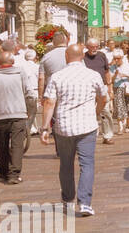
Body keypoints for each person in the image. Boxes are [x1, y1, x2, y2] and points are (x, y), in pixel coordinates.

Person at [40, 44, 107, 218]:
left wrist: (44, 127)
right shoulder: (93, 75)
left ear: (66, 57)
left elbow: (49, 102)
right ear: (82, 56)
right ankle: (85, 203)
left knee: (66, 164)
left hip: (64, 126)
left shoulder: (57, 76)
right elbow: (103, 97)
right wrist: (97, 112)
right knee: (87, 164)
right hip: (87, 125)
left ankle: (67, 199)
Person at [0, 50, 30, 183]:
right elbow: (29, 92)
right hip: (19, 114)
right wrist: (30, 109)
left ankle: (3, 171)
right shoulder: (20, 73)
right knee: (17, 145)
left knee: (2, 144)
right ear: (13, 62)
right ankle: (13, 174)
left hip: (0, 115)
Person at [83, 38, 116, 144]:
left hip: (102, 86)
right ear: (87, 47)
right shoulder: (83, 57)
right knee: (89, 112)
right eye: (92, 47)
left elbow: (107, 72)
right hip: (88, 89)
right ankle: (89, 135)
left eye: (96, 46)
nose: (95, 49)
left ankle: (107, 135)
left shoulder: (101, 55)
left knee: (105, 111)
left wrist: (110, 88)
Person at [19, 48, 41, 136]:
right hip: (34, 90)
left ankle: (33, 127)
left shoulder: (21, 66)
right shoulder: (36, 66)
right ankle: (30, 128)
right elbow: (40, 79)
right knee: (33, 110)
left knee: (28, 110)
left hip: (24, 90)